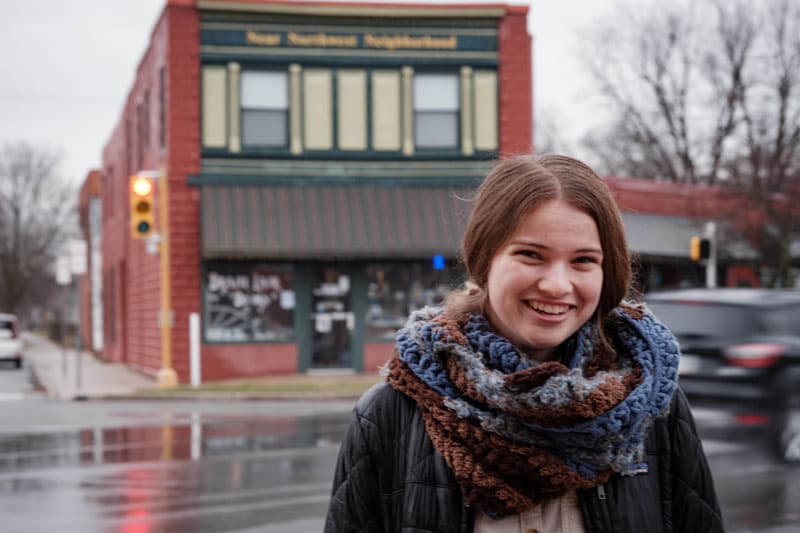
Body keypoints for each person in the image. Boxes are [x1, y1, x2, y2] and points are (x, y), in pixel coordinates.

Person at [324, 154, 723, 532]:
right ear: (485, 259)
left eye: (583, 260)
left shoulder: (654, 407)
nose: (556, 284)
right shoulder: (390, 415)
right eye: (531, 254)